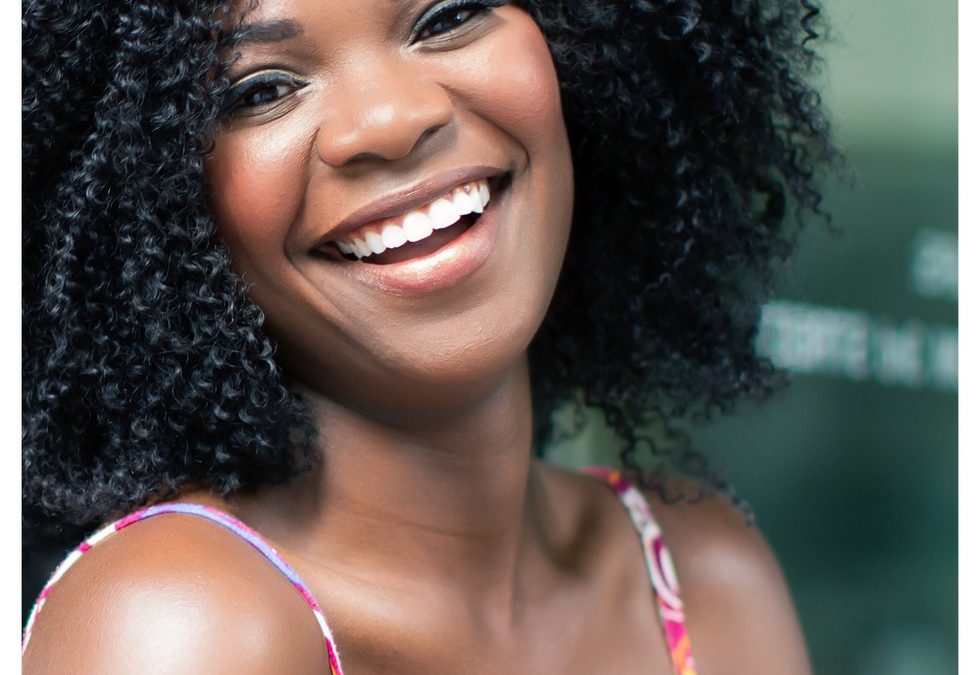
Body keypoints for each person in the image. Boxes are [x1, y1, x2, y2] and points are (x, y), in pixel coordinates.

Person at [22, 0, 837, 672]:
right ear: (147, 199)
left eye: (449, 16)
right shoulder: (181, 627)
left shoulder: (702, 573)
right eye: (261, 90)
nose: (391, 120)